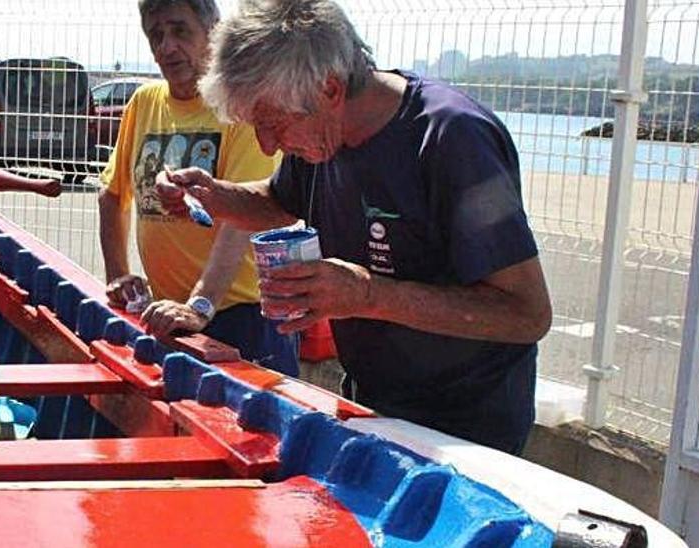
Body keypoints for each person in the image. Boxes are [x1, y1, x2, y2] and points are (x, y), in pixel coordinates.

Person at [157, 0, 552, 454]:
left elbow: (527, 313)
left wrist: (368, 295)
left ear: (329, 89)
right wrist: (211, 195)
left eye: (272, 123)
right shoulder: (321, 137)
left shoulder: (453, 139)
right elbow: (279, 202)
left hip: (468, 429)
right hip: (373, 405)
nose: (267, 146)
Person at [99, 0, 300, 376]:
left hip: (240, 317)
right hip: (170, 314)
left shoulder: (238, 108)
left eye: (180, 31)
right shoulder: (143, 103)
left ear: (212, 32)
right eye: (156, 35)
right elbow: (111, 194)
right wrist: (117, 276)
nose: (166, 47)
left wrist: (200, 305)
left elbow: (241, 220)